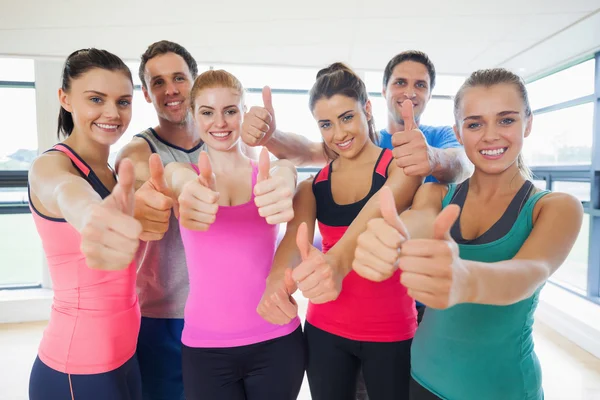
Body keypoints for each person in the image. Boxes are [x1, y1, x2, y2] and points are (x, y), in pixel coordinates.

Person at [352, 68, 583, 400]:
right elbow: (415, 224)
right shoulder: (438, 195)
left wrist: (466, 279)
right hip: (421, 377)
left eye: (506, 120)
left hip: (500, 390)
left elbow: (529, 272)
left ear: (528, 123)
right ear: (458, 133)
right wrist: (390, 239)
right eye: (475, 124)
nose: (490, 136)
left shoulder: (555, 207)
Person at [242, 50, 472, 328]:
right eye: (401, 82)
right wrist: (272, 137)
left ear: (431, 93)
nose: (410, 92)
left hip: (418, 293)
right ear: (383, 91)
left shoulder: (439, 138)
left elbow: (462, 163)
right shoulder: (352, 148)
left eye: (420, 85)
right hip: (336, 313)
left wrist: (431, 158)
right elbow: (307, 150)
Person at [260, 62, 422, 400]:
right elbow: (293, 241)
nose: (338, 134)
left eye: (347, 117)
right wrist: (276, 283)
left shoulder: (402, 169)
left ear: (367, 108)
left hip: (390, 330)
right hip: (325, 332)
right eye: (326, 124)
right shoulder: (312, 187)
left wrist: (334, 261)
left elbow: (374, 215)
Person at [160, 69, 304, 400]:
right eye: (207, 112)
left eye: (230, 111)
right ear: (193, 118)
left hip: (277, 341)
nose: (220, 123)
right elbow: (174, 176)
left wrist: (286, 177)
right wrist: (186, 187)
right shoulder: (185, 176)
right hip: (205, 348)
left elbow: (287, 168)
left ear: (243, 114)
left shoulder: (268, 175)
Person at [28, 48, 143, 400]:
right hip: (77, 369)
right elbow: (69, 194)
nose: (112, 113)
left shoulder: (114, 173)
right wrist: (93, 217)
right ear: (65, 98)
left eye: (123, 101)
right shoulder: (52, 167)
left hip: (125, 357)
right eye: (96, 99)